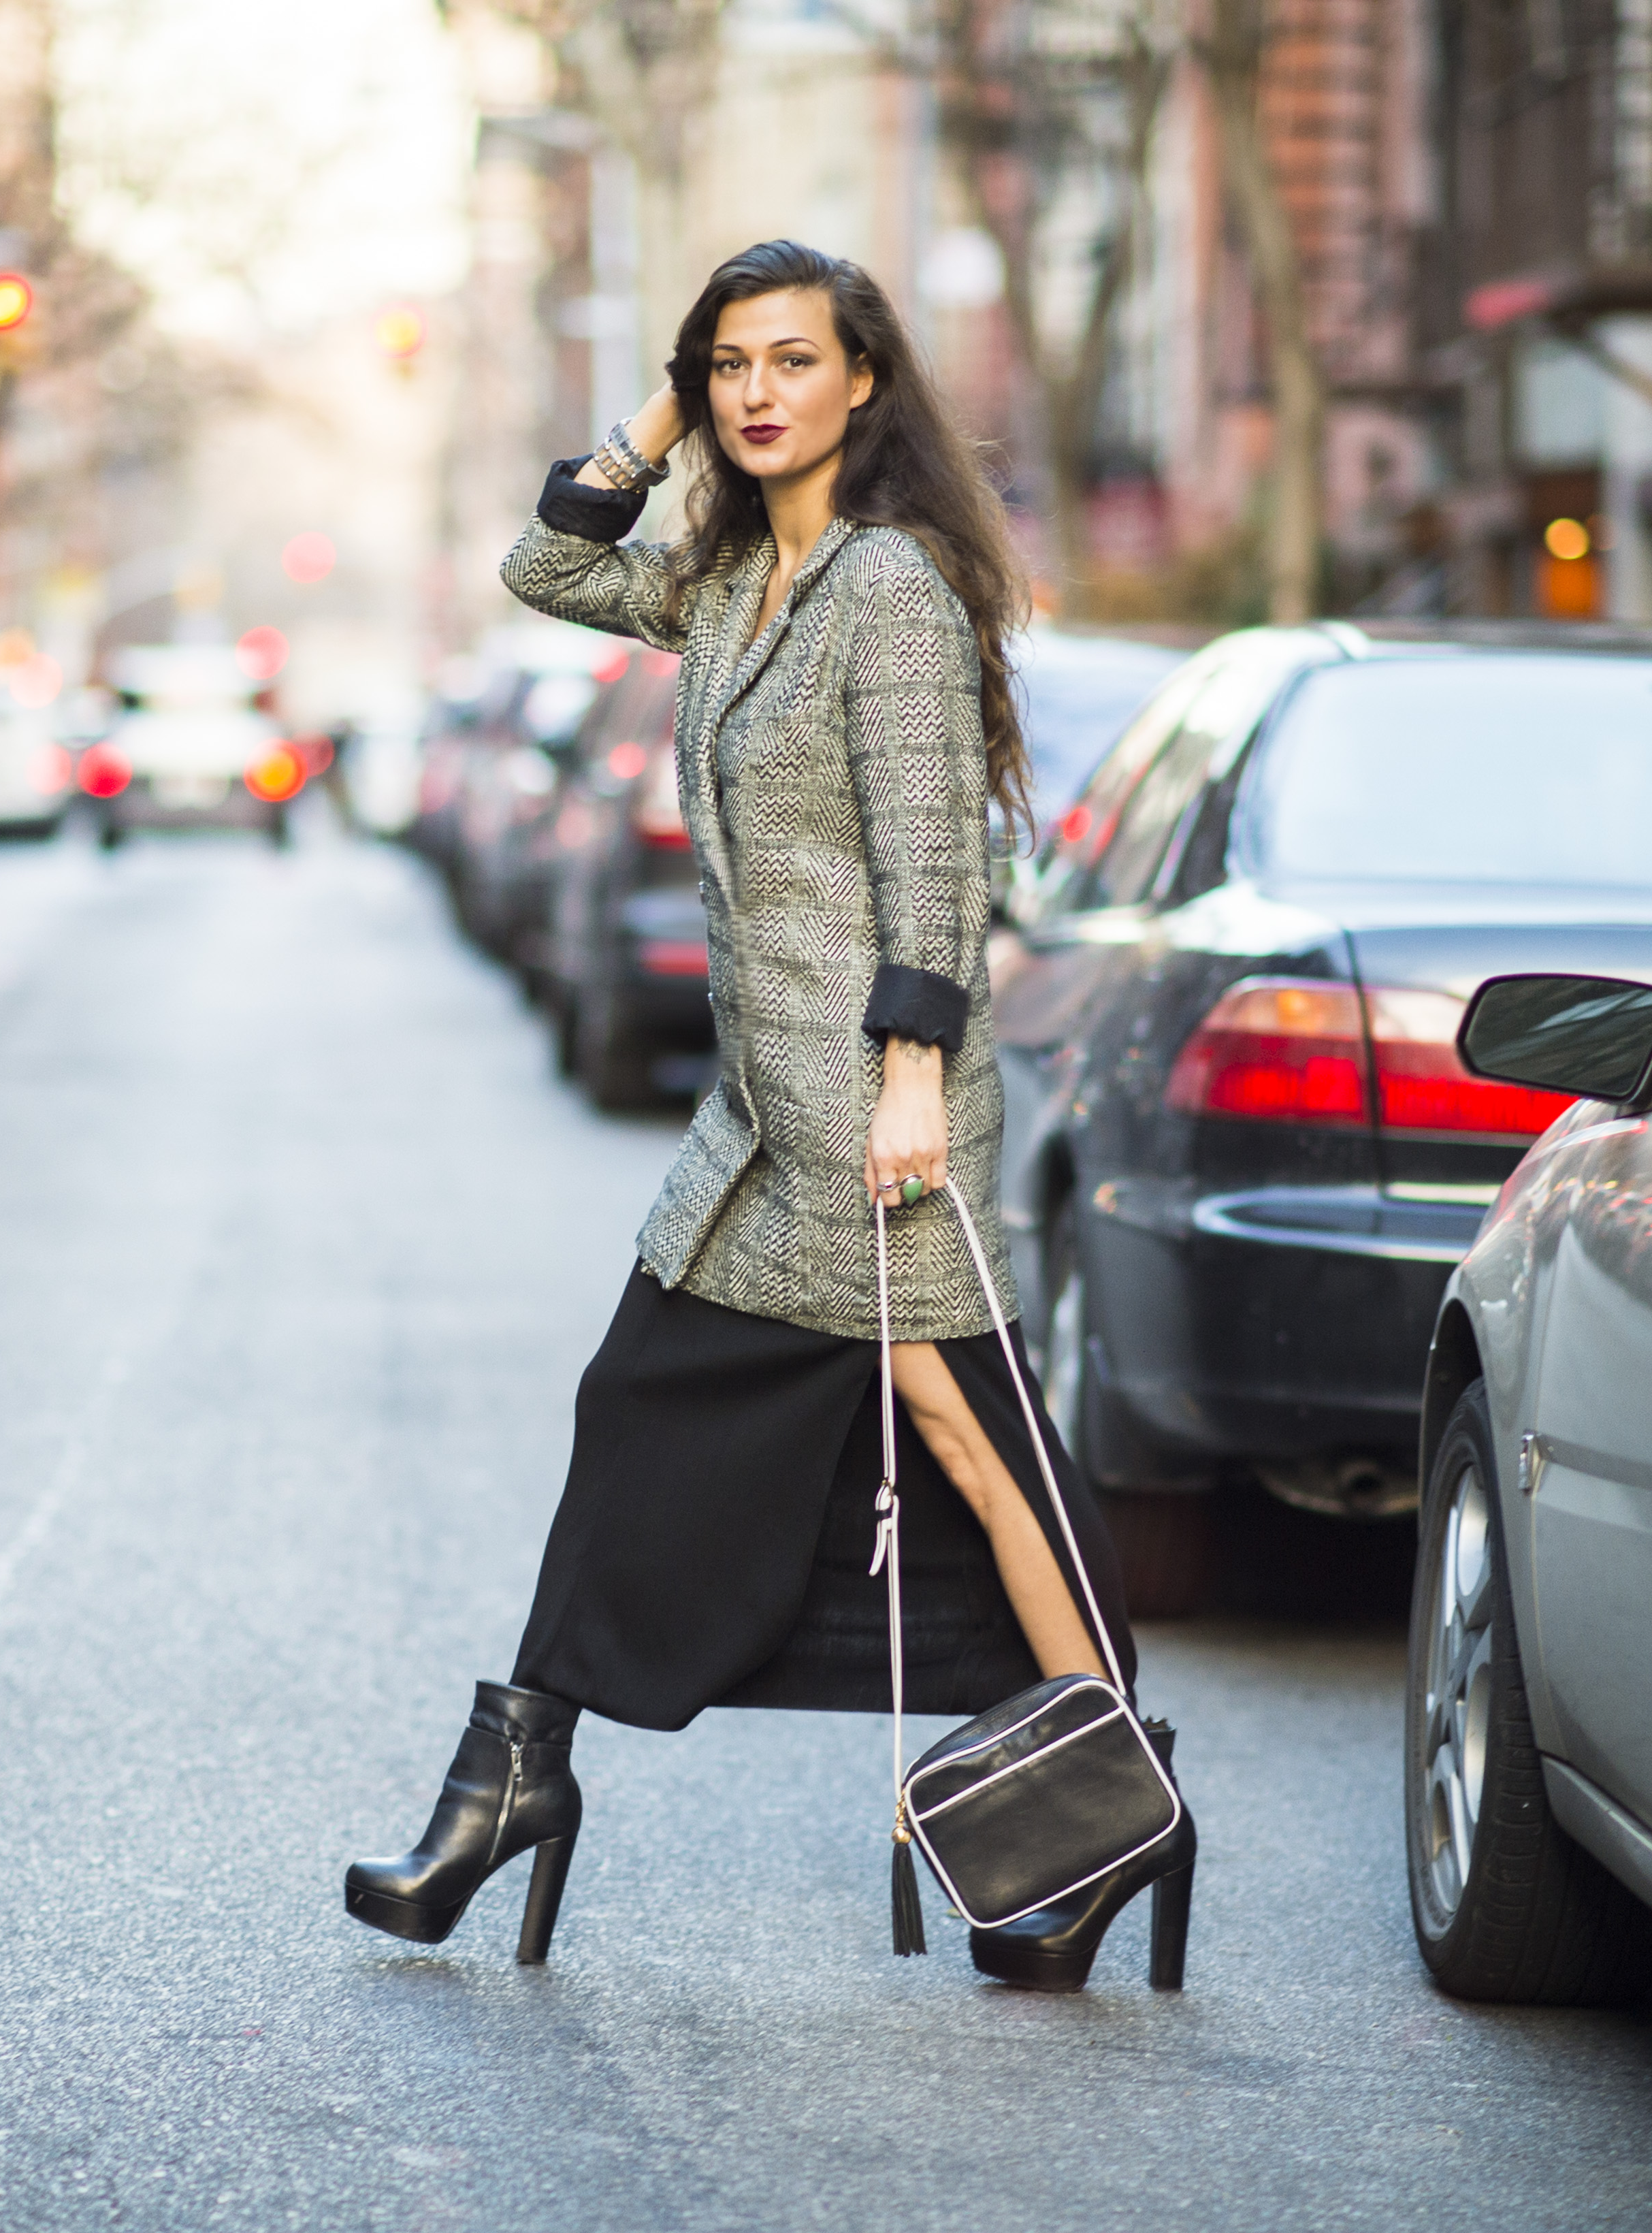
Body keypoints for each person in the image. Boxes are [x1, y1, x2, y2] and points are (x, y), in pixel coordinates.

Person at [343, 240, 1193, 1993]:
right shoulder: (734, 587)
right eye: (729, 364)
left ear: (863, 385)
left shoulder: (887, 587)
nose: (756, 393)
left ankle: (1109, 1823)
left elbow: (934, 854)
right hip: (759, 1129)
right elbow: (541, 561)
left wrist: (909, 1078)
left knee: (979, 1456)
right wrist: (655, 405)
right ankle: (514, 1774)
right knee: (641, 1406)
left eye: (792, 362)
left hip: (878, 1127)